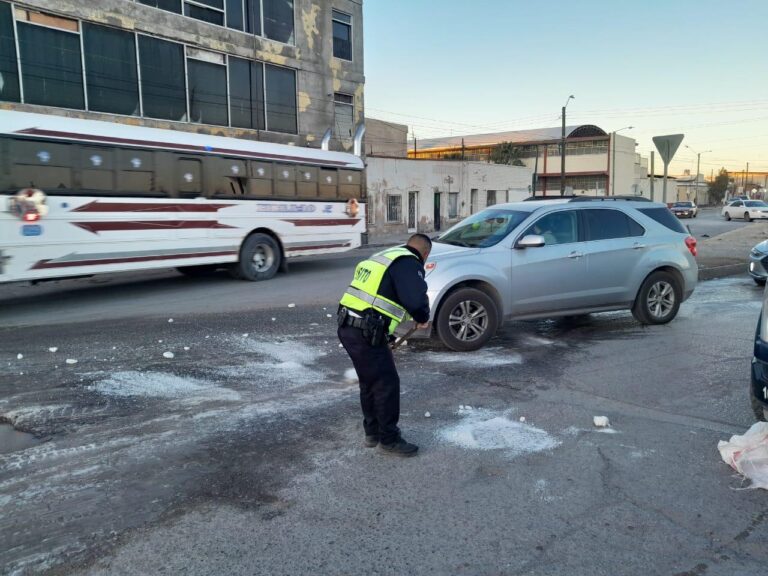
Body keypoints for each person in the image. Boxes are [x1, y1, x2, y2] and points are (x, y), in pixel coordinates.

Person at [337, 233, 431, 457]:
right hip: (365, 331)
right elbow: (415, 299)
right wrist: (422, 315)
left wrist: (386, 335)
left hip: (348, 326)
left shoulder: (384, 256)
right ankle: (389, 439)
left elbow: (378, 296)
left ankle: (373, 433)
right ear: (425, 253)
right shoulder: (409, 262)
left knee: (370, 381)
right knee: (386, 383)